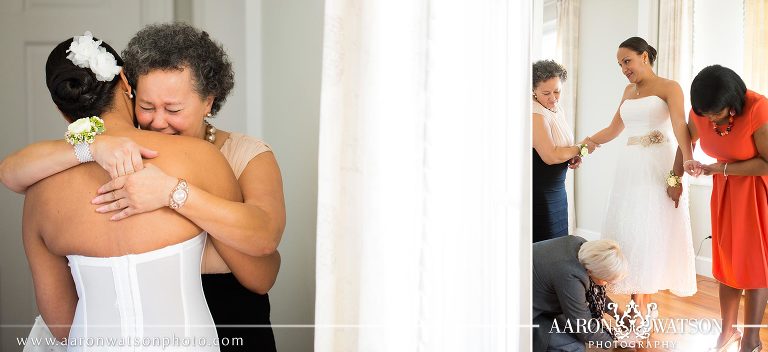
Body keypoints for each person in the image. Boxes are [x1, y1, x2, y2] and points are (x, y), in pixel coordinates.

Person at [1, 24, 285, 351]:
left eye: (173, 109)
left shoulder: (41, 192)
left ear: (209, 101)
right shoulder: (200, 159)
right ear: (128, 86)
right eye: (147, 107)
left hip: (238, 323)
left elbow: (64, 325)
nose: (158, 121)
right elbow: (8, 170)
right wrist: (93, 147)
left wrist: (171, 193)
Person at [583, 37, 698, 311]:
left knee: (651, 234)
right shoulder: (627, 91)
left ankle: (639, 311)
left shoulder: (670, 87)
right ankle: (638, 310)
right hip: (629, 168)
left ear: (644, 56)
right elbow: (612, 130)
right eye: (620, 64)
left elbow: (681, 128)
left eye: (627, 61)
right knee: (631, 233)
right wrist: (581, 150)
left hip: (658, 167)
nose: (624, 68)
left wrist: (679, 175)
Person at [680, 65, 768, 352]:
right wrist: (682, 168)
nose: (710, 119)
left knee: (756, 267)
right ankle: (727, 333)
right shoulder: (702, 111)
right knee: (727, 265)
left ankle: (752, 339)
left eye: (716, 113)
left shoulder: (757, 108)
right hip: (725, 192)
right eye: (705, 114)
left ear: (732, 100)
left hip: (757, 192)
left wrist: (722, 167)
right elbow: (686, 141)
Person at [532, 60, 594, 243]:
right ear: (534, 91)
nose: (553, 98)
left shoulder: (556, 109)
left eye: (557, 91)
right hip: (541, 191)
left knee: (558, 240)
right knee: (545, 244)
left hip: (558, 188)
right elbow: (550, 155)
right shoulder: (535, 113)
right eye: (546, 93)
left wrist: (573, 156)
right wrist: (581, 148)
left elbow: (561, 146)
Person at [532, 235, 628, 351]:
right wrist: (618, 342)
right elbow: (584, 328)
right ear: (591, 271)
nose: (605, 285)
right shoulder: (570, 276)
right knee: (575, 346)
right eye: (605, 281)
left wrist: (621, 316)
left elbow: (594, 293)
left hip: (537, 296)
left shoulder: (583, 248)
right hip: (523, 313)